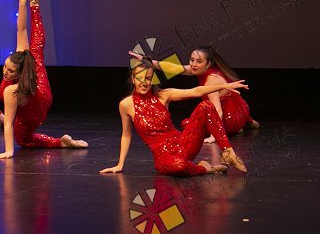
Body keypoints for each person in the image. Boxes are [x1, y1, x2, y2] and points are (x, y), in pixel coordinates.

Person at [100, 59, 249, 176]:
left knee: (205, 106)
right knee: (179, 166)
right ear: (133, 79)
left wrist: (224, 86)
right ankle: (205, 169)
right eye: (139, 78)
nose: (144, 83)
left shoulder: (164, 95)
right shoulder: (125, 105)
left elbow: (196, 91)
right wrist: (120, 165)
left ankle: (228, 152)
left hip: (183, 144)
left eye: (148, 78)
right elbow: (126, 135)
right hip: (163, 156)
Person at [0, 0, 88, 159]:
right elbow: (21, 29)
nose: (5, 72)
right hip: (38, 86)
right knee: (36, 48)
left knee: (24, 140)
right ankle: (35, 6)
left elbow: (8, 123)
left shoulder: (11, 90)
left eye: (10, 71)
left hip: (37, 103)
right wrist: (22, 2)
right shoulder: (23, 60)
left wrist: (9, 151)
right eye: (5, 66)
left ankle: (59, 142)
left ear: (20, 73)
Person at [129, 46, 259, 143]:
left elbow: (218, 111)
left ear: (208, 64)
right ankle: (246, 122)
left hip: (229, 115)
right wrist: (148, 61)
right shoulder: (199, 70)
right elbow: (173, 68)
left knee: (187, 124)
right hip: (240, 108)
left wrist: (213, 136)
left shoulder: (211, 80)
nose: (193, 64)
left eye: (199, 61)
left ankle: (236, 125)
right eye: (192, 60)